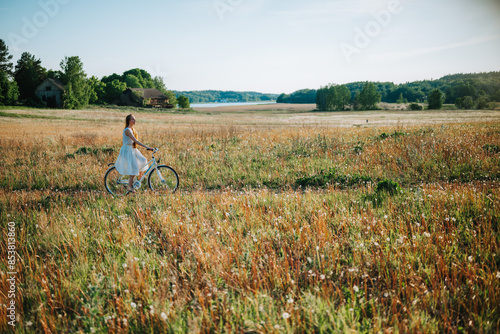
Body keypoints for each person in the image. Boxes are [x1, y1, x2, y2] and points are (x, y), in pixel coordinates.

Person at [114, 114, 153, 194]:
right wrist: (147, 147)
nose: (135, 121)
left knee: (143, 160)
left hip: (132, 149)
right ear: (129, 121)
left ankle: (140, 176)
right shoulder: (127, 130)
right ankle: (129, 187)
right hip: (127, 150)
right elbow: (136, 141)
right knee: (134, 168)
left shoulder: (132, 129)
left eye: (134, 119)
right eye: (133, 119)